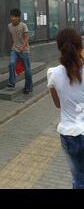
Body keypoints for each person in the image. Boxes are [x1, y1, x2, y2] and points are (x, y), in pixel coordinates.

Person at [47, 28, 84, 189]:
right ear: (80, 46)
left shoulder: (53, 74)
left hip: (69, 136)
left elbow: (58, 104)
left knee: (78, 179)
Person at [8, 8, 33, 94]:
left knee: (27, 70)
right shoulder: (9, 26)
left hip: (24, 51)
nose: (12, 18)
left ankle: (28, 88)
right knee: (11, 64)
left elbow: (26, 38)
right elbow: (13, 37)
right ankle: (12, 82)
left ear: (18, 17)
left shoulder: (23, 25)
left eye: (14, 17)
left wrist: (22, 47)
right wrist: (13, 46)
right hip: (14, 50)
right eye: (11, 16)